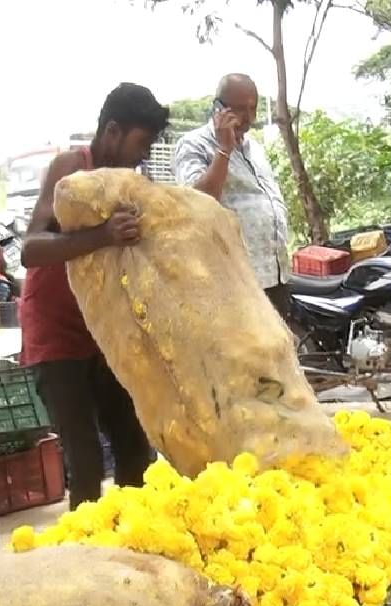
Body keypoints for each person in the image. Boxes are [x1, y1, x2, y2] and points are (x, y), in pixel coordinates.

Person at [19, 83, 168, 508]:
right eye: (141, 142)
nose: (143, 154)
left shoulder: (128, 184)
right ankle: (85, 561)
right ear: (113, 131)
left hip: (104, 332)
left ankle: (132, 548)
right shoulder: (70, 168)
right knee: (84, 464)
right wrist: (103, 235)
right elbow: (31, 249)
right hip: (57, 334)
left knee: (136, 452)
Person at [173, 74, 291, 314]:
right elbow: (196, 203)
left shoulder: (254, 147)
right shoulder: (193, 144)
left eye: (253, 108)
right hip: (234, 283)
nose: (249, 118)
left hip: (274, 276)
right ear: (218, 108)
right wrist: (223, 149)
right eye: (239, 110)